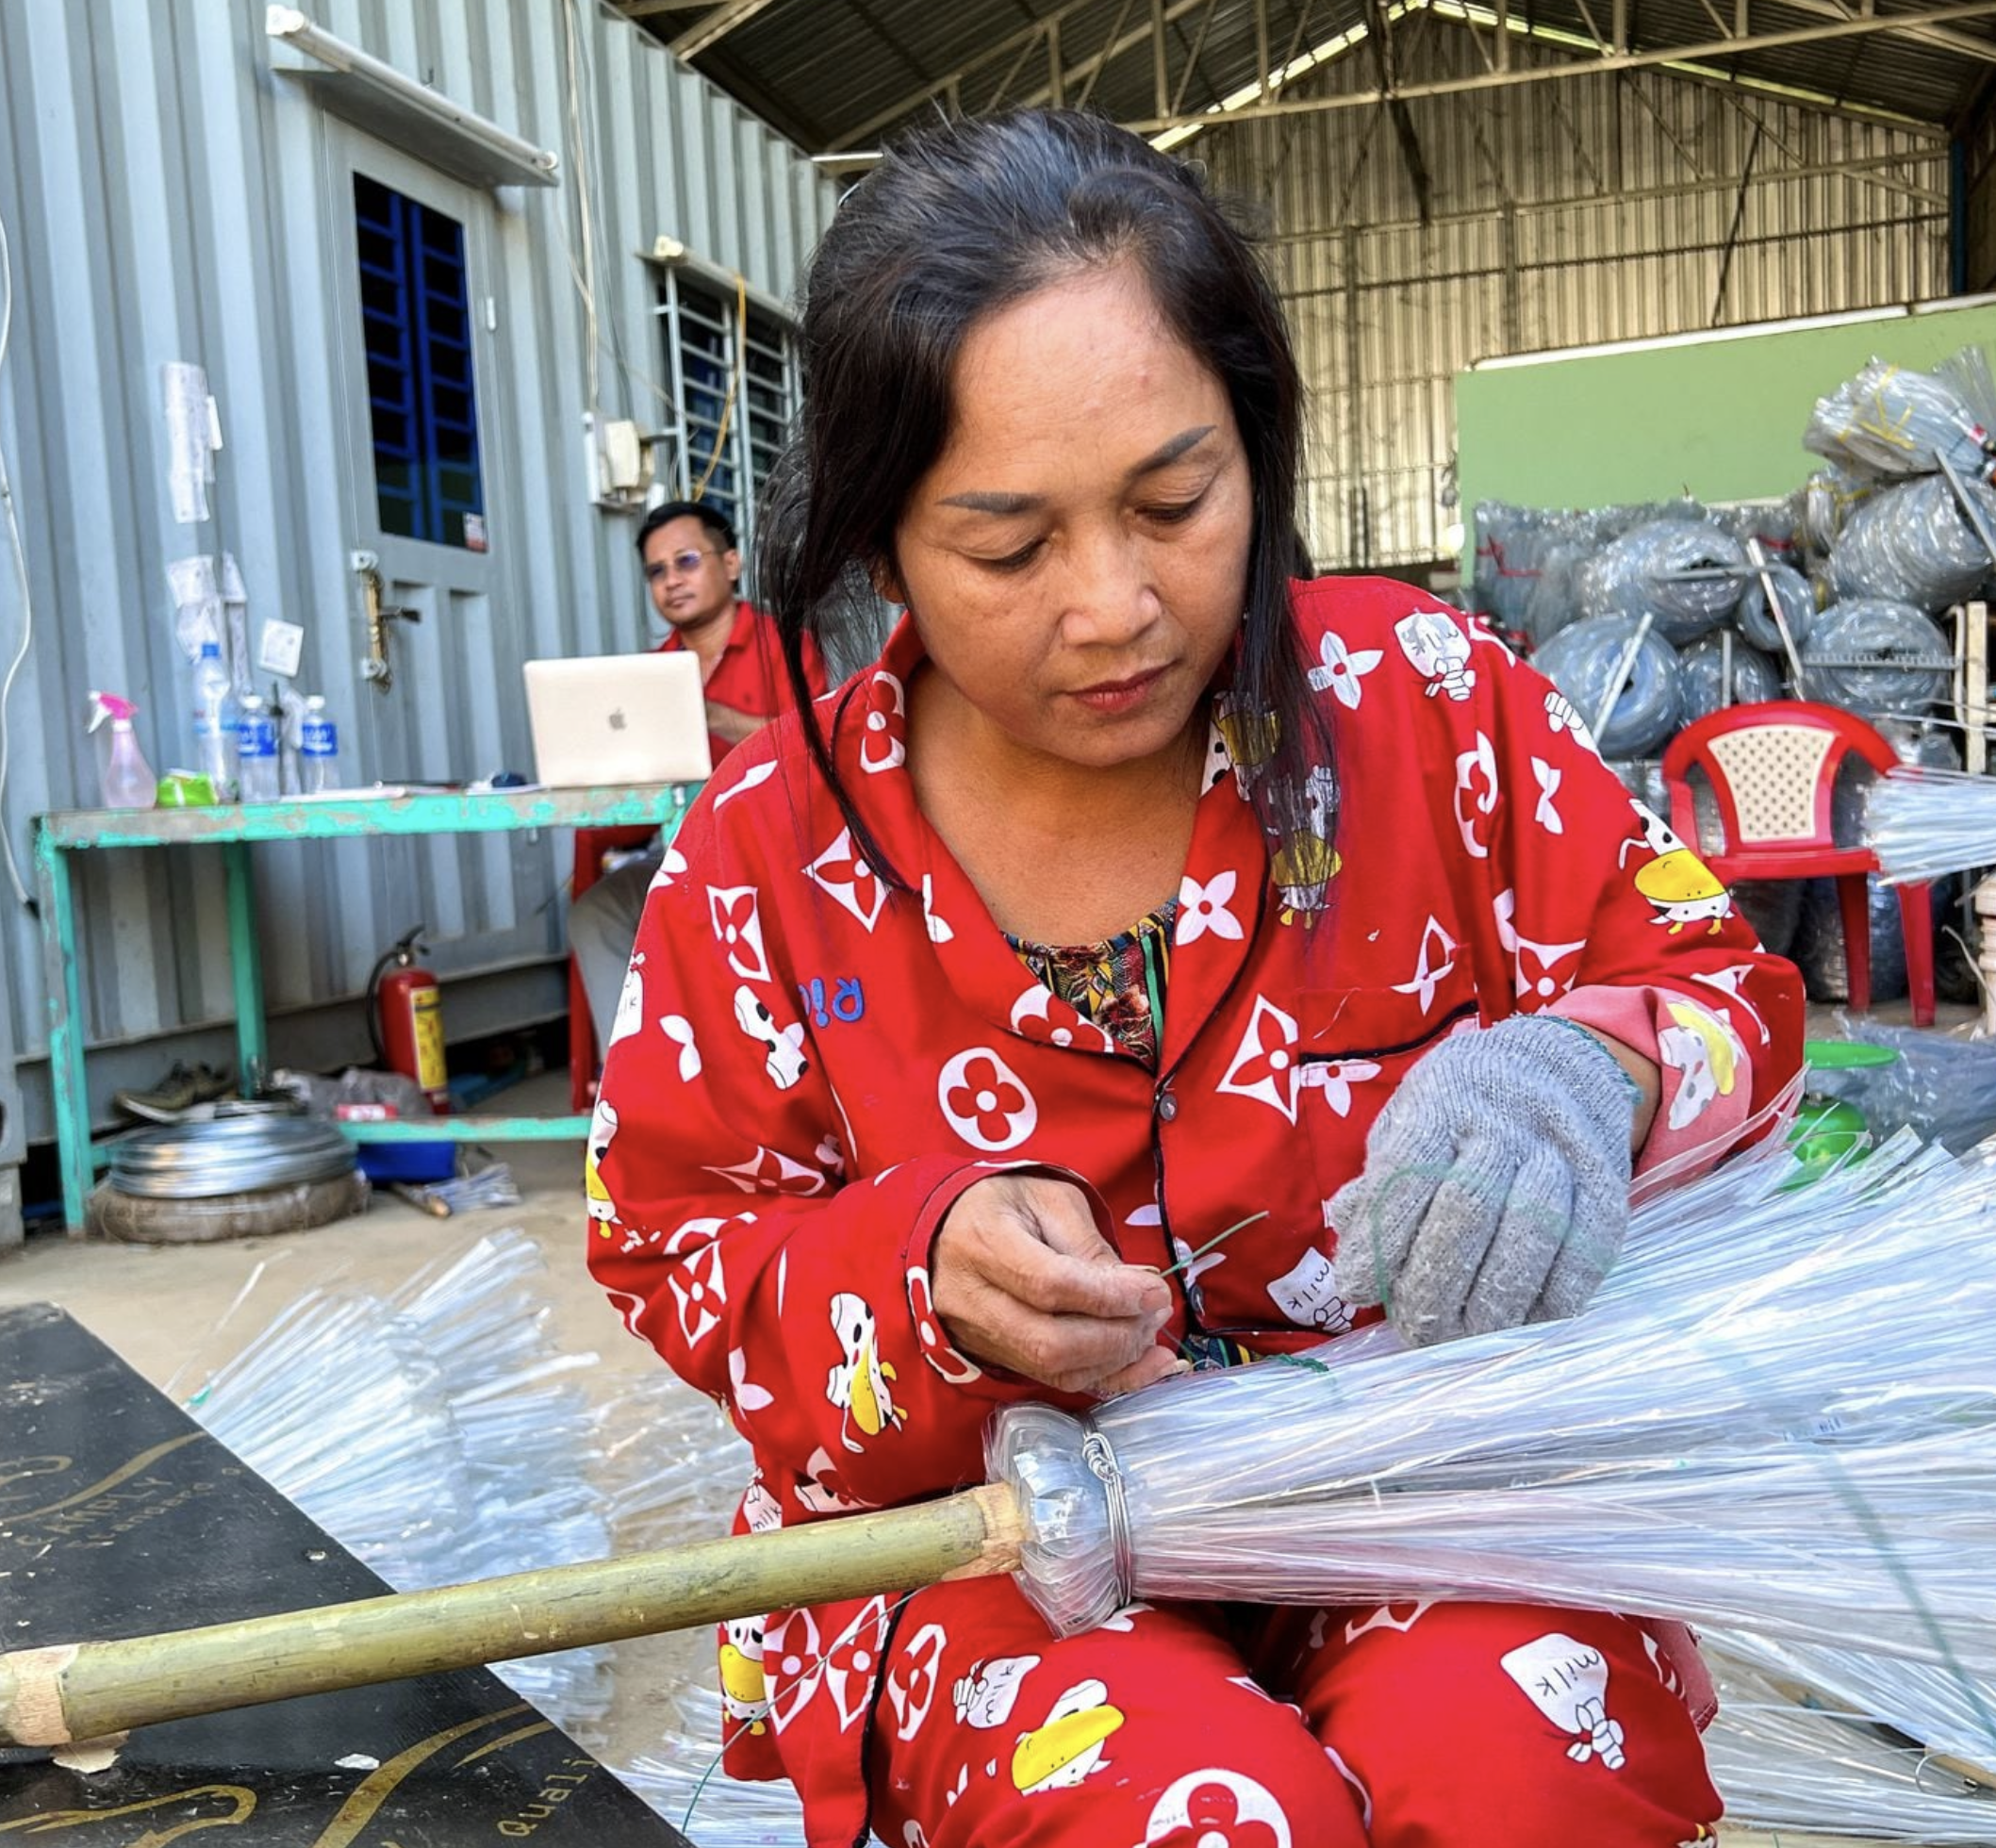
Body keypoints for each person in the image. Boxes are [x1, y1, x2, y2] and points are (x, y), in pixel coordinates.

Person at [587, 110, 1804, 1848]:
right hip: (992, 1541)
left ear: (1258, 448)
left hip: (1421, 1488)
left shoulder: (1424, 705)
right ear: (879, 550)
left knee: (1518, 1766)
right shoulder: (768, 849)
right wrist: (913, 1259)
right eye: (1008, 548)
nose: (1114, 606)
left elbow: (1722, 992)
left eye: (1175, 501)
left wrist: (1587, 1072)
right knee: (1193, 1812)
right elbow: (670, 1231)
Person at [568, 500, 826, 1049]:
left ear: (731, 564)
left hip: (778, 858)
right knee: (597, 913)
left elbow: (816, 758)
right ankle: (638, 1088)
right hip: (684, 860)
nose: (671, 581)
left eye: (686, 561)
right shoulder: (644, 675)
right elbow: (624, 818)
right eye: (656, 572)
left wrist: (711, 714)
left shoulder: (786, 645)